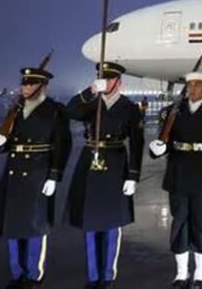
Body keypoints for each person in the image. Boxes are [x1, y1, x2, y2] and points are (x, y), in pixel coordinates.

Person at [0, 67, 72, 289]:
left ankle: (34, 274)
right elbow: (7, 138)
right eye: (24, 84)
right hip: (14, 173)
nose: (25, 88)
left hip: (38, 173)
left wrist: (54, 175)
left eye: (30, 84)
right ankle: (17, 273)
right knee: (13, 225)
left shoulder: (55, 110)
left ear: (43, 86)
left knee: (36, 226)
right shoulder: (16, 109)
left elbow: (63, 145)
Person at [148, 71, 202, 289]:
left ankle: (201, 272)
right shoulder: (173, 111)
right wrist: (156, 149)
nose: (193, 89)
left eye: (197, 85)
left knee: (201, 222)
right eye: (189, 85)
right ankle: (181, 273)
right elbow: (164, 140)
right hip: (178, 172)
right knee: (179, 222)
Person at [65, 62, 144, 289]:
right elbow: (70, 111)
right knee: (90, 223)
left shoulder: (129, 108)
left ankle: (107, 276)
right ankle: (92, 276)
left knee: (110, 224)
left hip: (115, 162)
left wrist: (133, 175)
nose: (106, 83)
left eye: (110, 79)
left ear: (119, 82)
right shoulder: (92, 104)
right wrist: (89, 91)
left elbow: (137, 143)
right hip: (90, 160)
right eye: (103, 79)